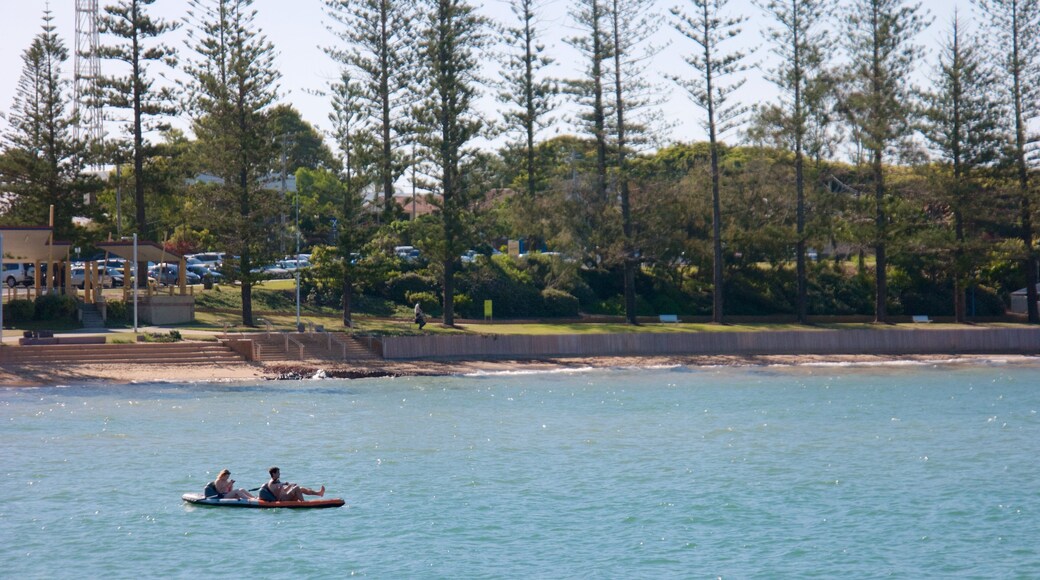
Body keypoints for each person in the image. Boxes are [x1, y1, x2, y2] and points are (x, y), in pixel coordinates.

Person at [258, 466, 324, 502]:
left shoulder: (277, 480)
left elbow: (283, 490)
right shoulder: (272, 482)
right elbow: (278, 493)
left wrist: (290, 486)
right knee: (297, 488)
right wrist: (283, 484)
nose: (279, 474)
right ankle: (303, 503)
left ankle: (319, 493)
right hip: (282, 499)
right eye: (278, 472)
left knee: (300, 488)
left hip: (285, 496)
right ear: (273, 474)